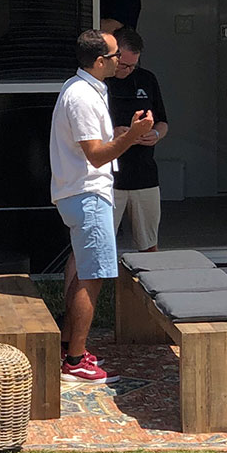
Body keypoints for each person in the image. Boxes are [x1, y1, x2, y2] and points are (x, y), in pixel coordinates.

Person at [50, 30, 153, 382]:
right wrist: (132, 136)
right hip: (87, 194)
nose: (118, 61)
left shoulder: (85, 89)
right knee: (92, 278)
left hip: (81, 192)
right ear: (98, 62)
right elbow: (96, 156)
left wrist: (124, 133)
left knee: (81, 272)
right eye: (114, 57)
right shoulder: (81, 96)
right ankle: (75, 360)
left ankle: (68, 345)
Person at [105, 27, 168, 251]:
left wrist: (156, 134)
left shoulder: (146, 79)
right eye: (123, 65)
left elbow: (163, 121)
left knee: (149, 244)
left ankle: (147, 286)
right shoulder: (100, 83)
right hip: (109, 177)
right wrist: (115, 133)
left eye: (133, 65)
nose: (128, 70)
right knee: (102, 245)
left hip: (144, 174)